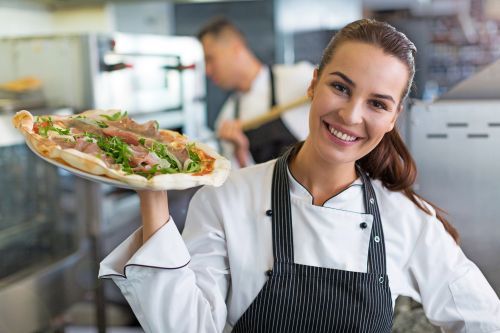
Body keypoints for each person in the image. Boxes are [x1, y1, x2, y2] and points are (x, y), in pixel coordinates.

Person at [99, 19, 500, 332]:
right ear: (313, 84)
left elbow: (484, 321)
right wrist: (151, 192)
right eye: (341, 88)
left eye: (377, 104)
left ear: (394, 118)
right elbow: (187, 327)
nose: (350, 116)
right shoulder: (229, 197)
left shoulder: (408, 220)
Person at [197, 17, 314, 168]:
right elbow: (241, 185)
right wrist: (240, 152)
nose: (207, 70)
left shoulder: (297, 78)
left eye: (210, 59)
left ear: (236, 48)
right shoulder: (227, 118)